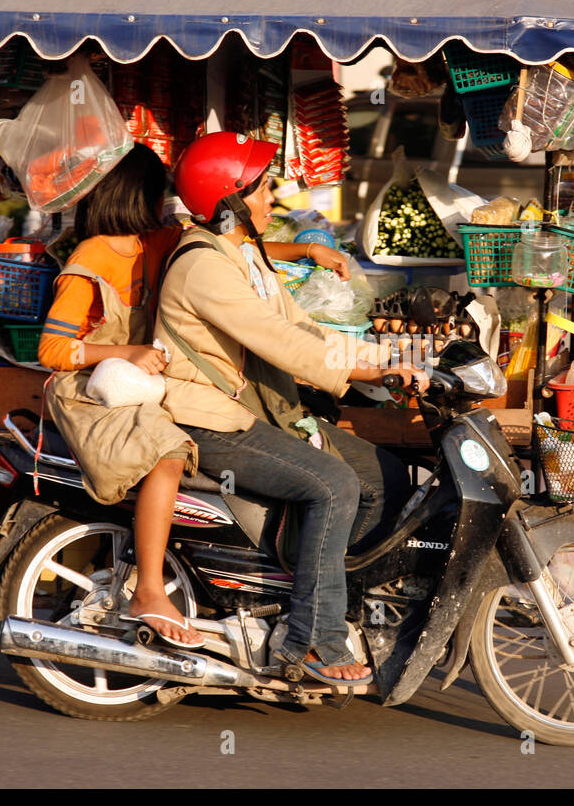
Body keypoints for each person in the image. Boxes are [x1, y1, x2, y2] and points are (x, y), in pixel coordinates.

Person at [37, 143, 352, 650]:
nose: (172, 203)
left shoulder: (158, 241)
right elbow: (52, 349)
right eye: (162, 192)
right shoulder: (91, 257)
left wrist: (309, 251)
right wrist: (127, 349)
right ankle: (147, 589)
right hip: (92, 386)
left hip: (141, 378)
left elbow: (230, 242)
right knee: (166, 454)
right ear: (136, 195)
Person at [157, 131, 427, 686]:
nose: (269, 201)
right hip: (209, 417)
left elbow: (300, 328)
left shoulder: (244, 256)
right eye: (260, 190)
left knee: (388, 477)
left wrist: (393, 355)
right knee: (332, 484)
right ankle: (310, 639)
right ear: (229, 200)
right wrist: (377, 368)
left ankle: (307, 588)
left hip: (260, 406)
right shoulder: (202, 266)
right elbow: (282, 345)